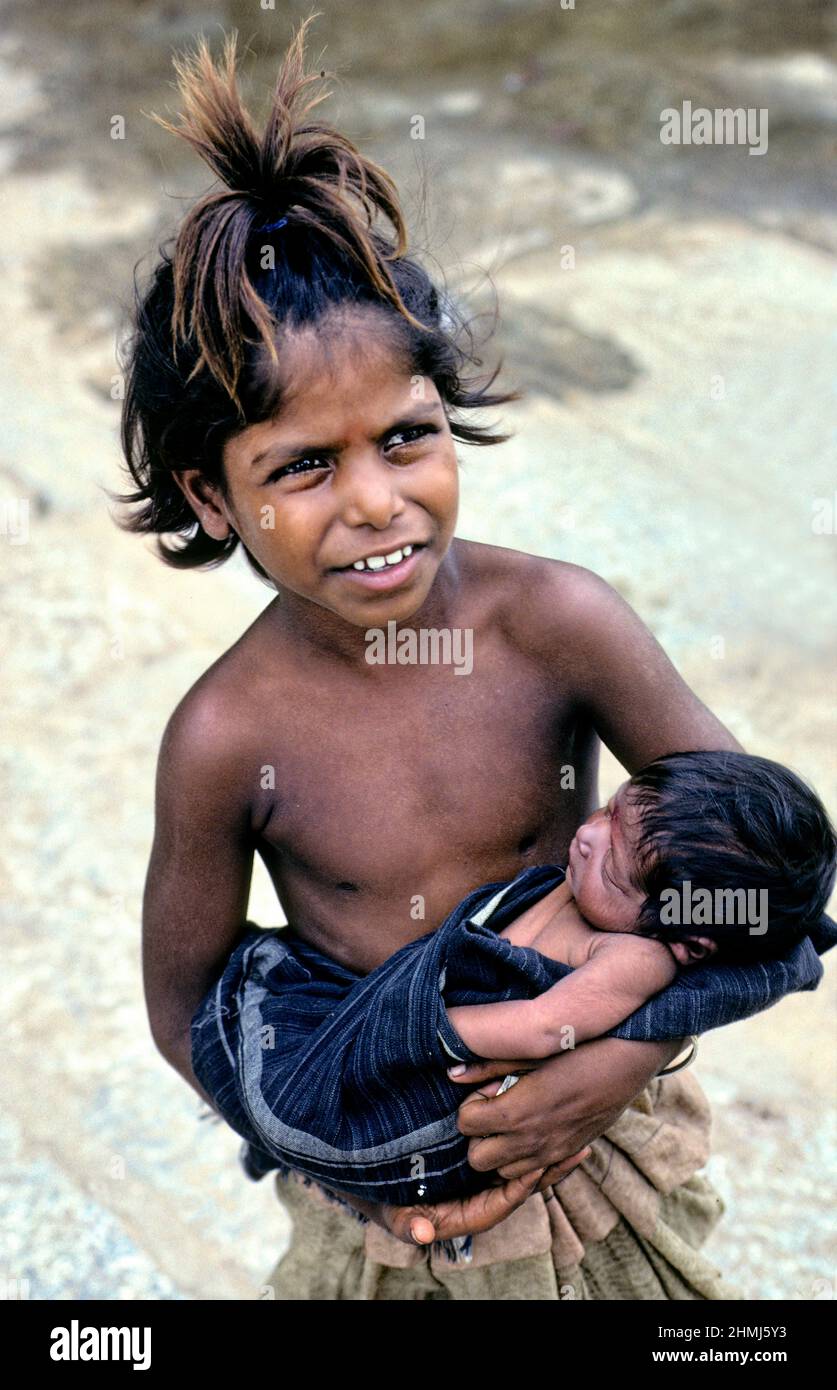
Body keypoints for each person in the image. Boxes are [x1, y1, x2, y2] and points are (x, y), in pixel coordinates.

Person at [117, 21, 836, 1299]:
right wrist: (353, 1150)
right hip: (396, 1216)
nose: (375, 502)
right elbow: (190, 1014)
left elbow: (781, 888)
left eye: (406, 437)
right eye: (302, 466)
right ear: (212, 497)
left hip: (602, 1168)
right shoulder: (229, 736)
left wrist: (622, 1053)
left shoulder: (557, 624)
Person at [188, 747, 836, 1218]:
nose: (586, 838)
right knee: (276, 1012)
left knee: (303, 1103)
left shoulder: (633, 958)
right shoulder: (611, 886)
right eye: (610, 808)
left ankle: (297, 1144)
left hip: (445, 1071)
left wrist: (429, 1030)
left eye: (616, 868)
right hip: (407, 999)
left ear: (689, 939)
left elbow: (540, 1027)